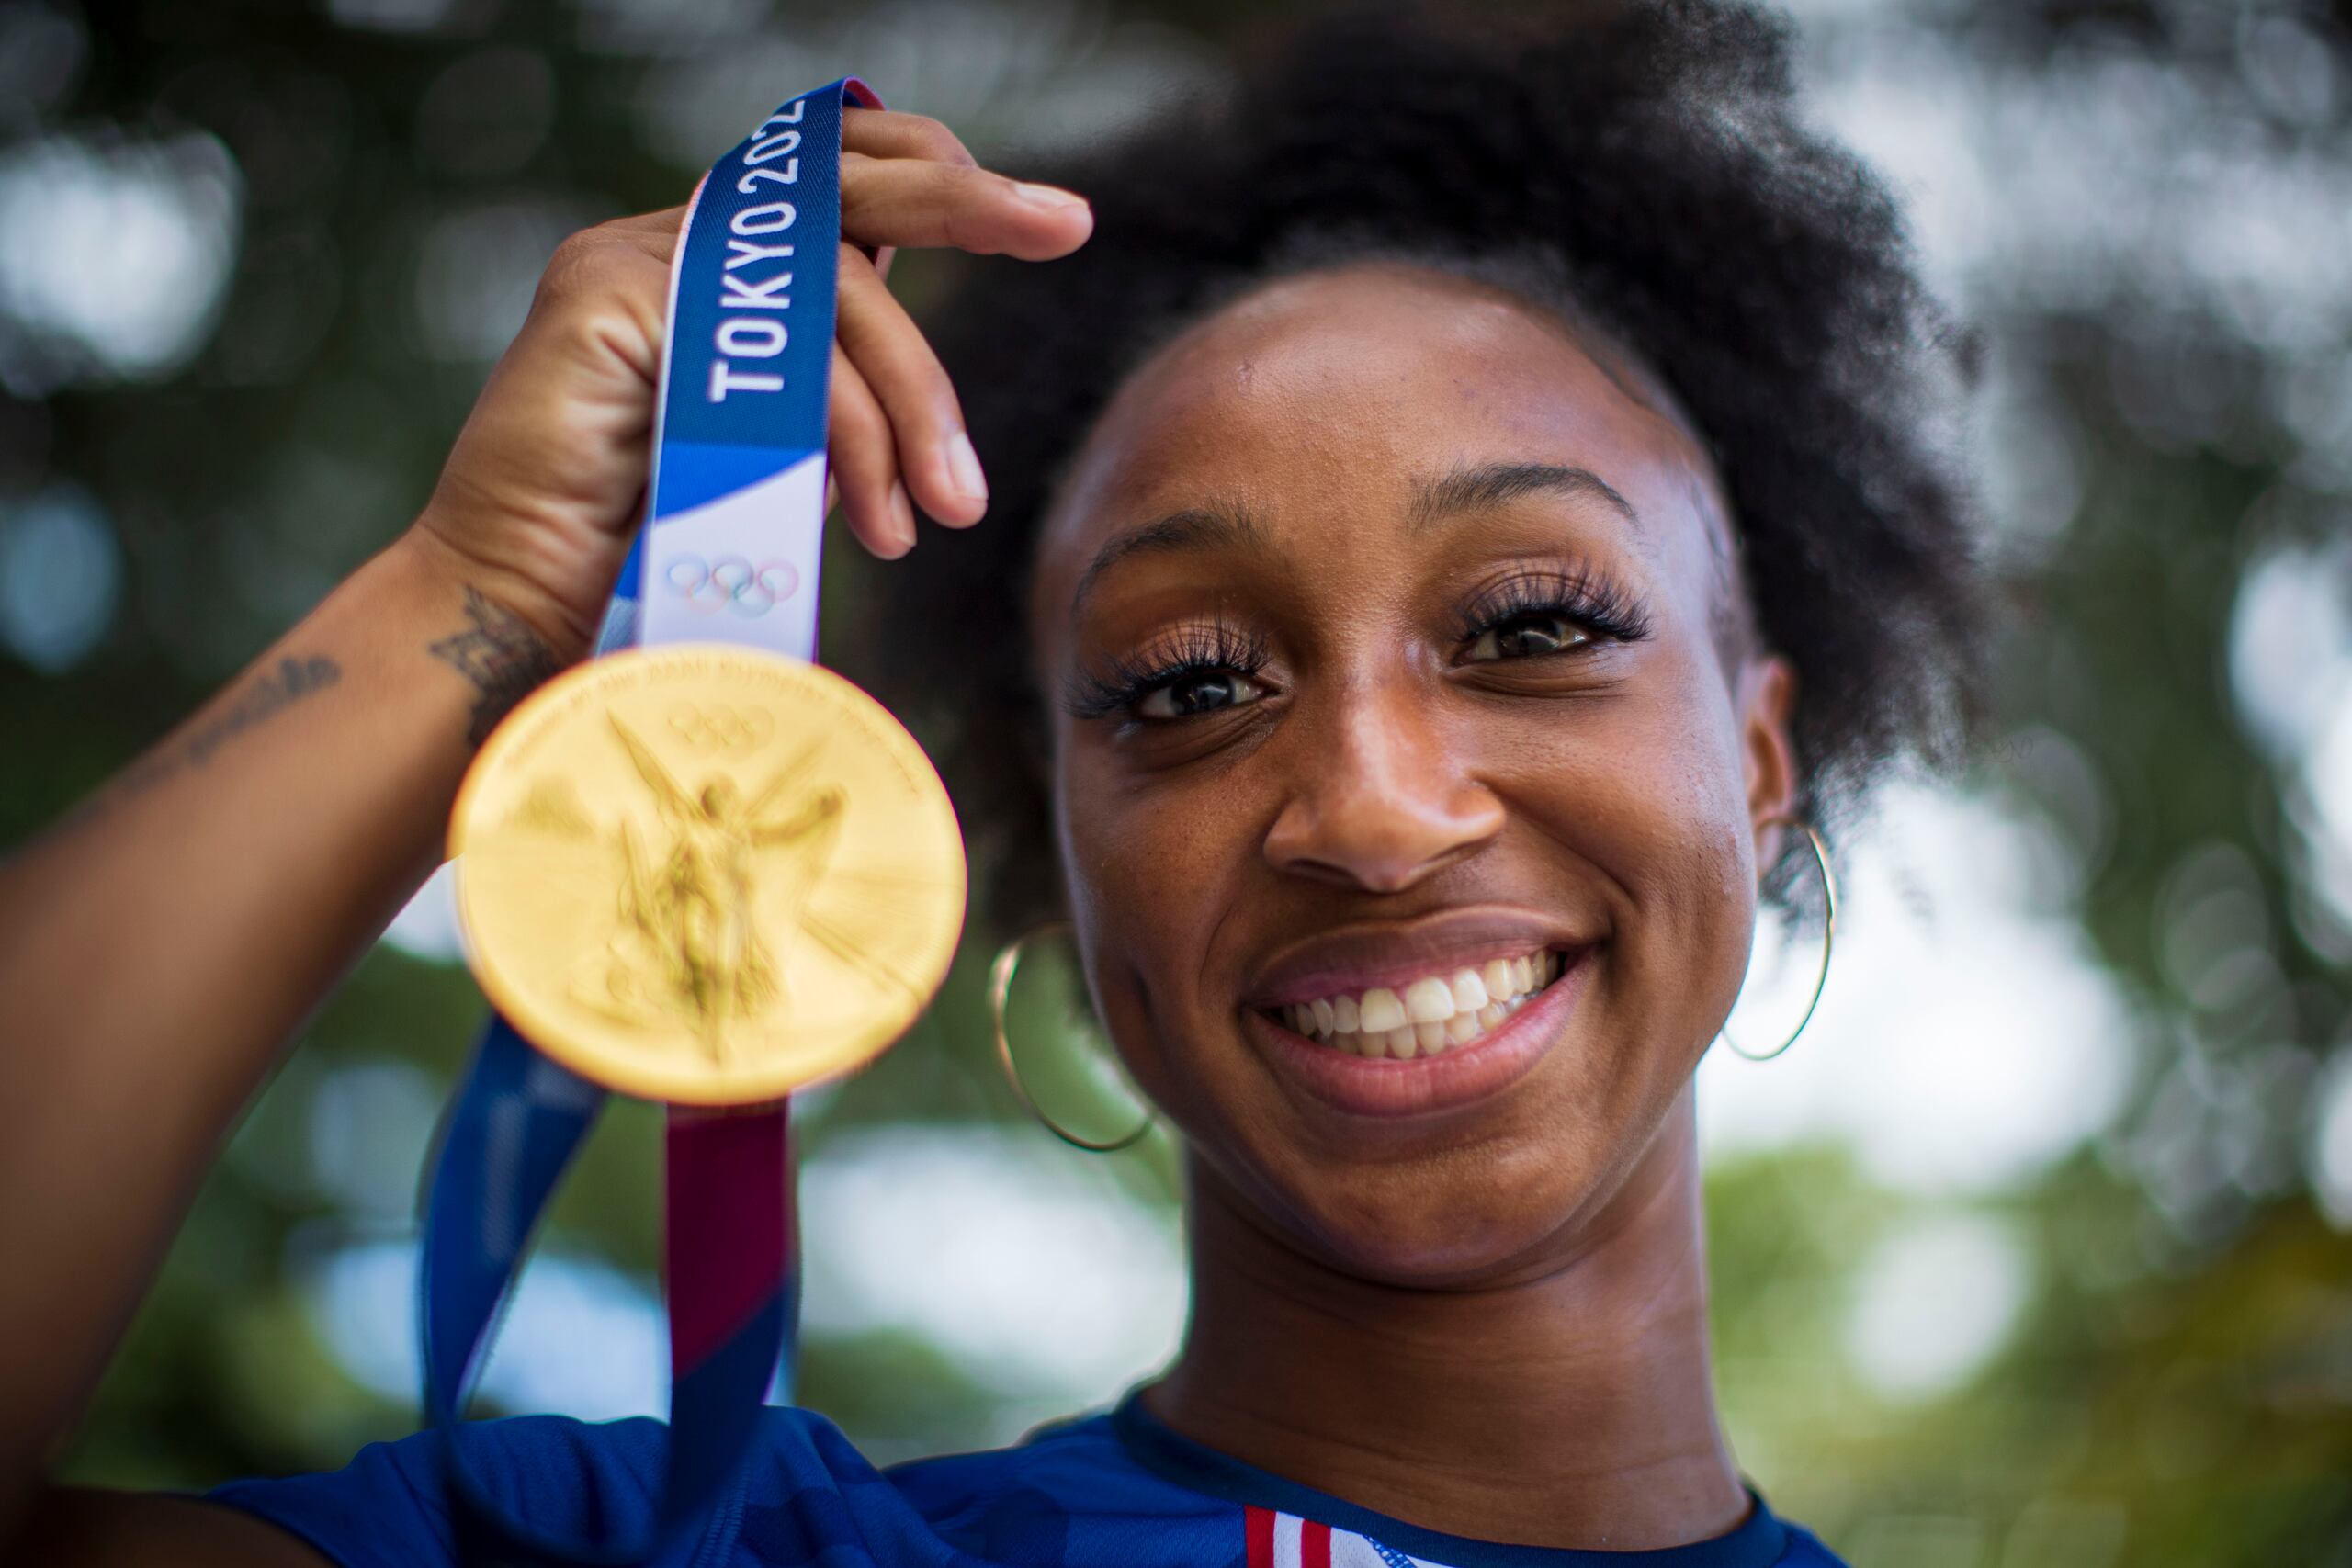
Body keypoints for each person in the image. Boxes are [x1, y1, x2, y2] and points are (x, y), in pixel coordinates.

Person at [0, 1, 1986, 1563]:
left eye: (1535, 624)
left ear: (1751, 754)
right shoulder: (724, 1552)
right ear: (1049, 867)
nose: (1374, 809)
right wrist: (477, 592)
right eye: (1187, 681)